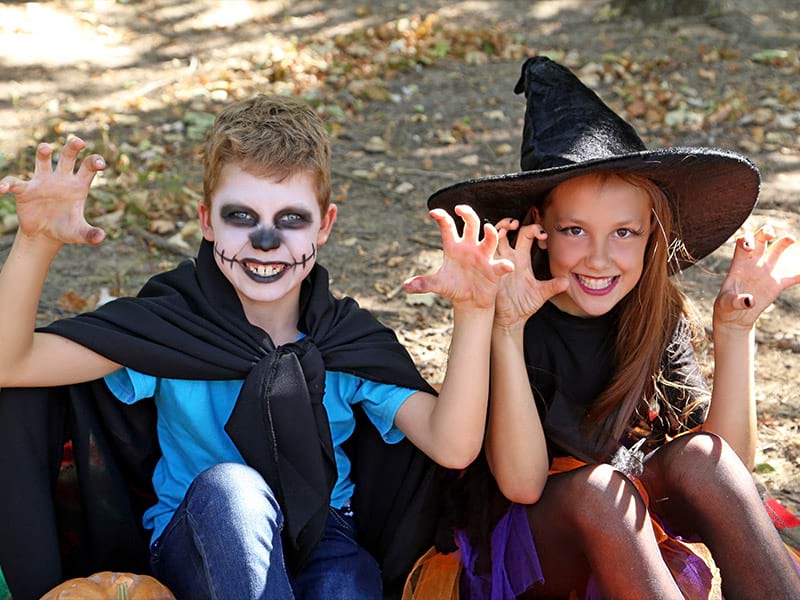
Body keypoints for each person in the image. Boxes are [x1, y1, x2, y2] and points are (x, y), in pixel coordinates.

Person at [0, 94, 514, 600]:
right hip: (201, 539)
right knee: (235, 491)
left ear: (326, 224)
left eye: (292, 219)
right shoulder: (173, 325)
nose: (266, 241)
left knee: (347, 583)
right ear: (206, 222)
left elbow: (453, 445)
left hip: (323, 533)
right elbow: (11, 364)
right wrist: (37, 240)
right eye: (240, 217)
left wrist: (472, 312)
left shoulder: (343, 340)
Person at [403, 56, 800, 599]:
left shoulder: (651, 313)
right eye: (574, 230)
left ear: (649, 236)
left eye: (623, 233)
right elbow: (520, 485)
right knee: (597, 489)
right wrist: (508, 328)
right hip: (528, 550)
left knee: (703, 461)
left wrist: (734, 330)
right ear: (538, 229)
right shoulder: (505, 315)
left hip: (630, 517)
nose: (599, 258)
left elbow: (726, 468)